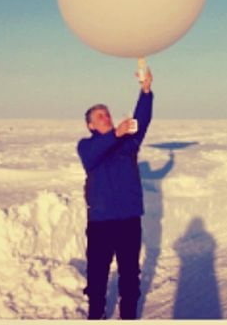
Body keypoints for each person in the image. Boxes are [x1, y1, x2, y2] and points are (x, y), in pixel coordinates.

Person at [78, 66, 153, 320]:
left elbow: (141, 121)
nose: (106, 117)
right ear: (90, 125)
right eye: (99, 116)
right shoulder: (86, 147)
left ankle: (129, 316)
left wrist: (145, 91)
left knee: (130, 274)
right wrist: (115, 133)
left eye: (107, 113)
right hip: (101, 223)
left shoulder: (127, 143)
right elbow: (94, 155)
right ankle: (95, 315)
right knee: (97, 274)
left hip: (129, 220)